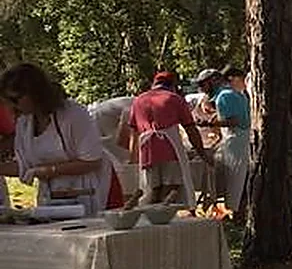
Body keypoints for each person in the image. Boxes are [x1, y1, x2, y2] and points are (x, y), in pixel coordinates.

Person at [0, 63, 113, 216]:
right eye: (8, 100)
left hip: (84, 194)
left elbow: (92, 161)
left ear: (34, 92)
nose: (12, 105)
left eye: (15, 99)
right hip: (49, 199)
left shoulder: (73, 114)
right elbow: (24, 166)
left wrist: (50, 170)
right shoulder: (24, 123)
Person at [120, 71, 212, 205]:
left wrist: (133, 159)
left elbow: (134, 134)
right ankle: (166, 218)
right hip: (169, 149)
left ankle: (152, 218)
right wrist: (202, 153)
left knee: (151, 190)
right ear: (173, 84)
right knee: (171, 189)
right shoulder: (174, 99)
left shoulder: (139, 100)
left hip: (147, 151)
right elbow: (191, 129)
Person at [204, 65, 252, 216]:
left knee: (234, 177)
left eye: (204, 85)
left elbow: (233, 121)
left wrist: (210, 124)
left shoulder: (224, 96)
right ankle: (238, 210)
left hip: (234, 139)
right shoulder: (234, 93)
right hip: (238, 138)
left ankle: (237, 212)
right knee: (239, 176)